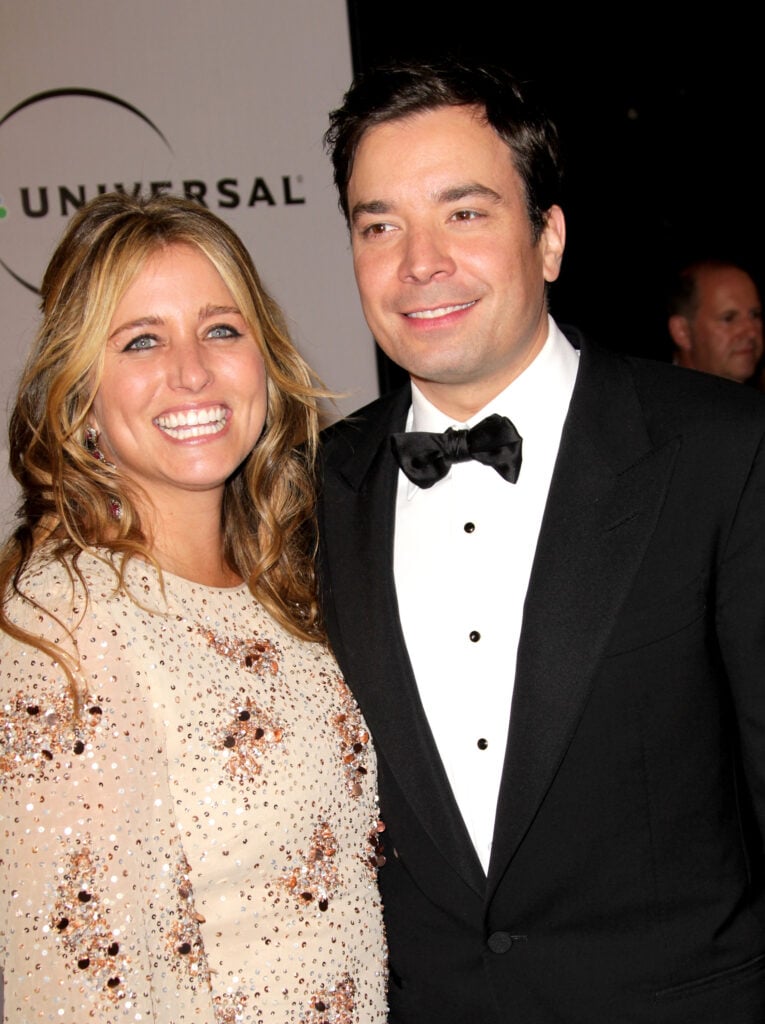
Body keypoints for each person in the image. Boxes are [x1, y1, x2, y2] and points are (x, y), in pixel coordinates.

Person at [316, 59, 765, 1023]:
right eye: (378, 224)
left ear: (549, 237)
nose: (417, 261)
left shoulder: (721, 449)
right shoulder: (310, 487)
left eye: (463, 213)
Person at [0, 192, 388, 1023]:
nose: (192, 371)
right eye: (142, 340)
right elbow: (78, 981)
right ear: (80, 396)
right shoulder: (64, 625)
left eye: (220, 329)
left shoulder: (287, 585)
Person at [667, 257, 763, 383]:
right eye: (729, 319)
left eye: (755, 315)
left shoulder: (755, 398)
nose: (751, 332)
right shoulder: (650, 399)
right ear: (682, 332)